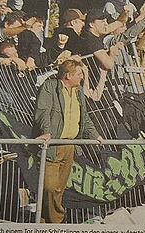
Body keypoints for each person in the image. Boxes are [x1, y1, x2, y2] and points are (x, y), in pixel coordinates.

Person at [33, 59, 103, 223]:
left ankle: (45, 224)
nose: (82, 78)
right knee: (50, 187)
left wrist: (96, 136)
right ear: (68, 75)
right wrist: (46, 132)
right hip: (52, 145)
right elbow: (43, 111)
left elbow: (84, 118)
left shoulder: (78, 92)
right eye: (79, 74)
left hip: (69, 146)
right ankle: (58, 221)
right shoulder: (50, 87)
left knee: (59, 190)